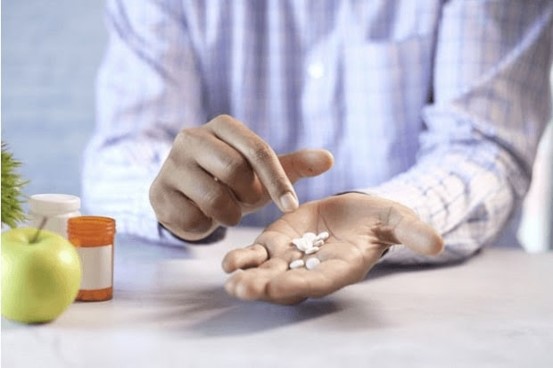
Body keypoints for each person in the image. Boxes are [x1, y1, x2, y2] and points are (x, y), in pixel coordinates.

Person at [83, 0, 553, 304]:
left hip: (448, 309)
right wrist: (173, 195)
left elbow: (482, 147)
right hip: (213, 299)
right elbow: (121, 149)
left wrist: (390, 216)